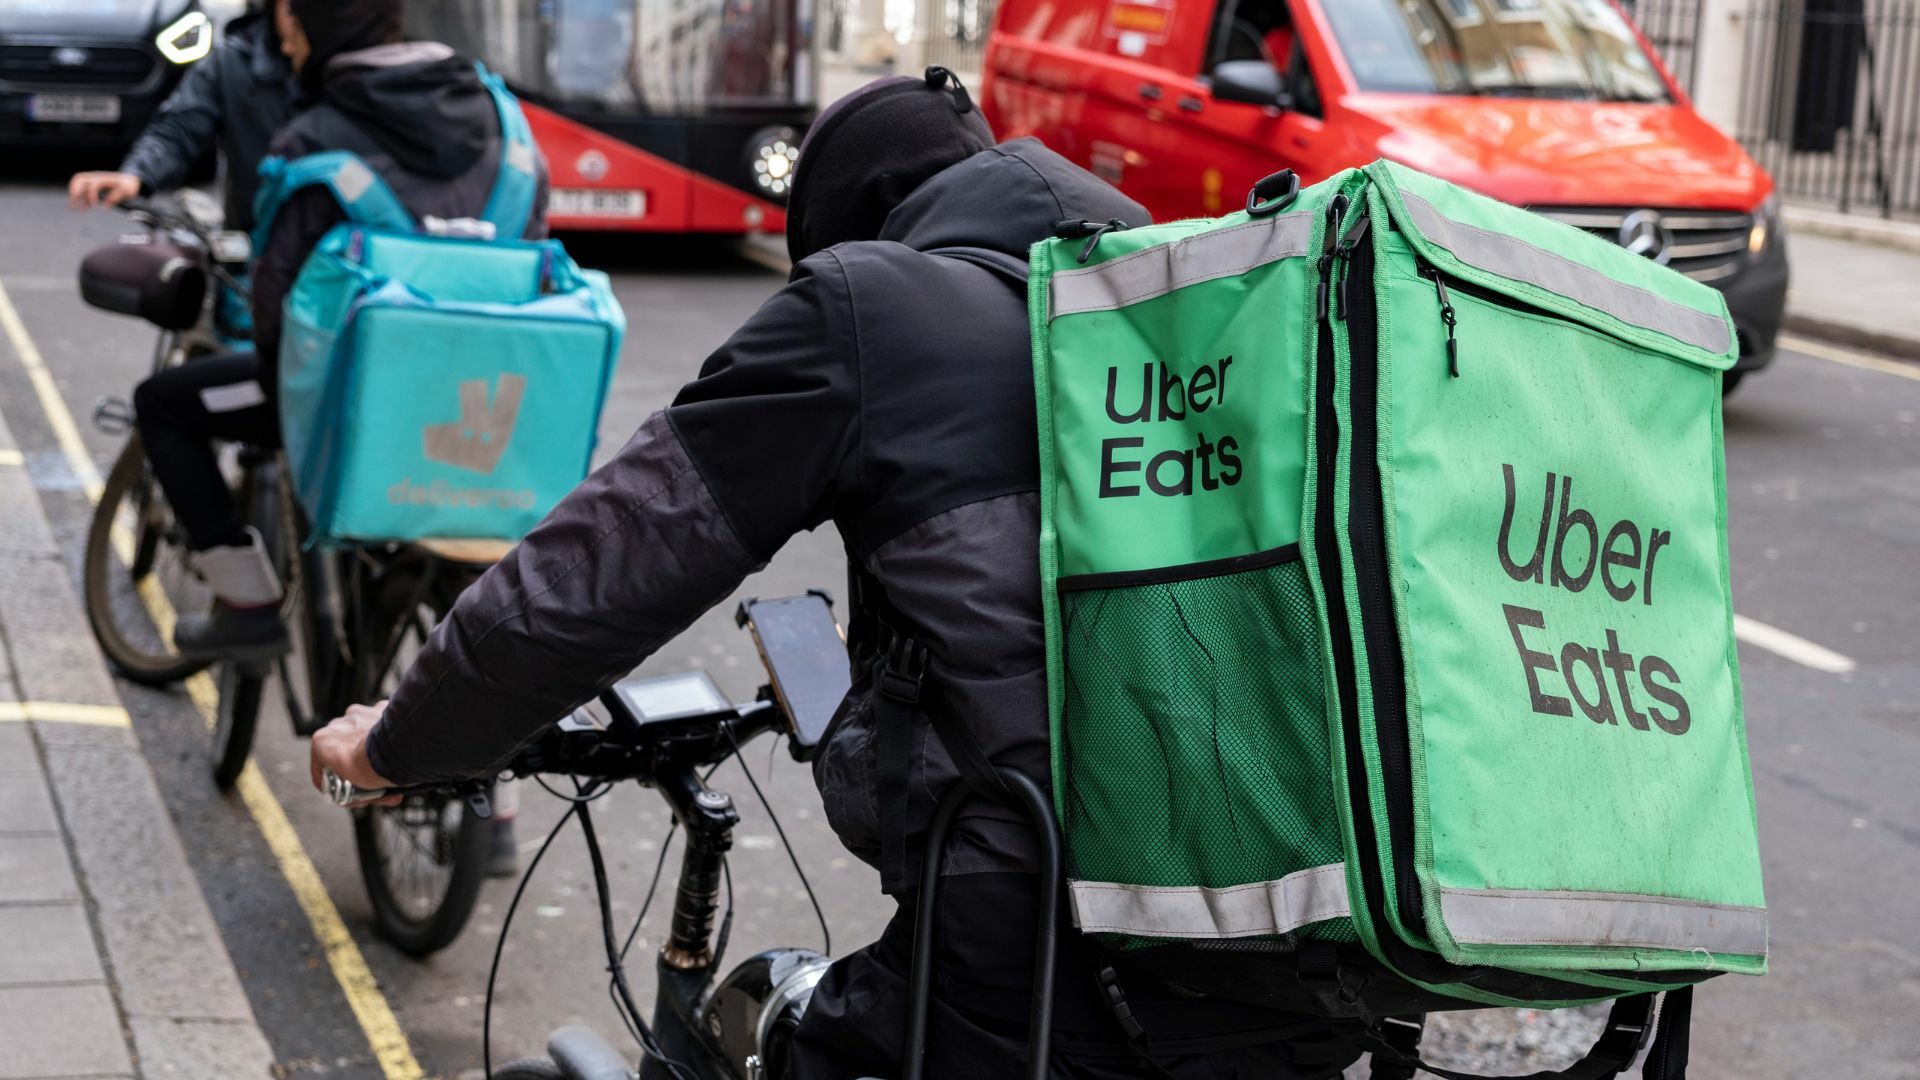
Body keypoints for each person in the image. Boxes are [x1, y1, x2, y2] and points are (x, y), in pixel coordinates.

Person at [308, 71, 1366, 1077]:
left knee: (792, 1041)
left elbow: (607, 562)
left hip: (1034, 952)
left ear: (853, 225)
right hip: (1309, 945)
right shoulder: (1201, 322)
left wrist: (407, 740)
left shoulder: (872, 307)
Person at [130, 0, 550, 664]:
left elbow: (277, 310)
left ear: (310, 26)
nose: (285, 41)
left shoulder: (315, 138)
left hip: (353, 405)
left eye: (290, 24)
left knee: (162, 405)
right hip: (484, 402)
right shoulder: (504, 116)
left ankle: (248, 606)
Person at [68, 0, 295, 231]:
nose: (297, 17)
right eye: (289, 6)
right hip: (254, 244)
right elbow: (180, 126)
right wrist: (137, 174)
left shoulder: (332, 77)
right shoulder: (232, 60)